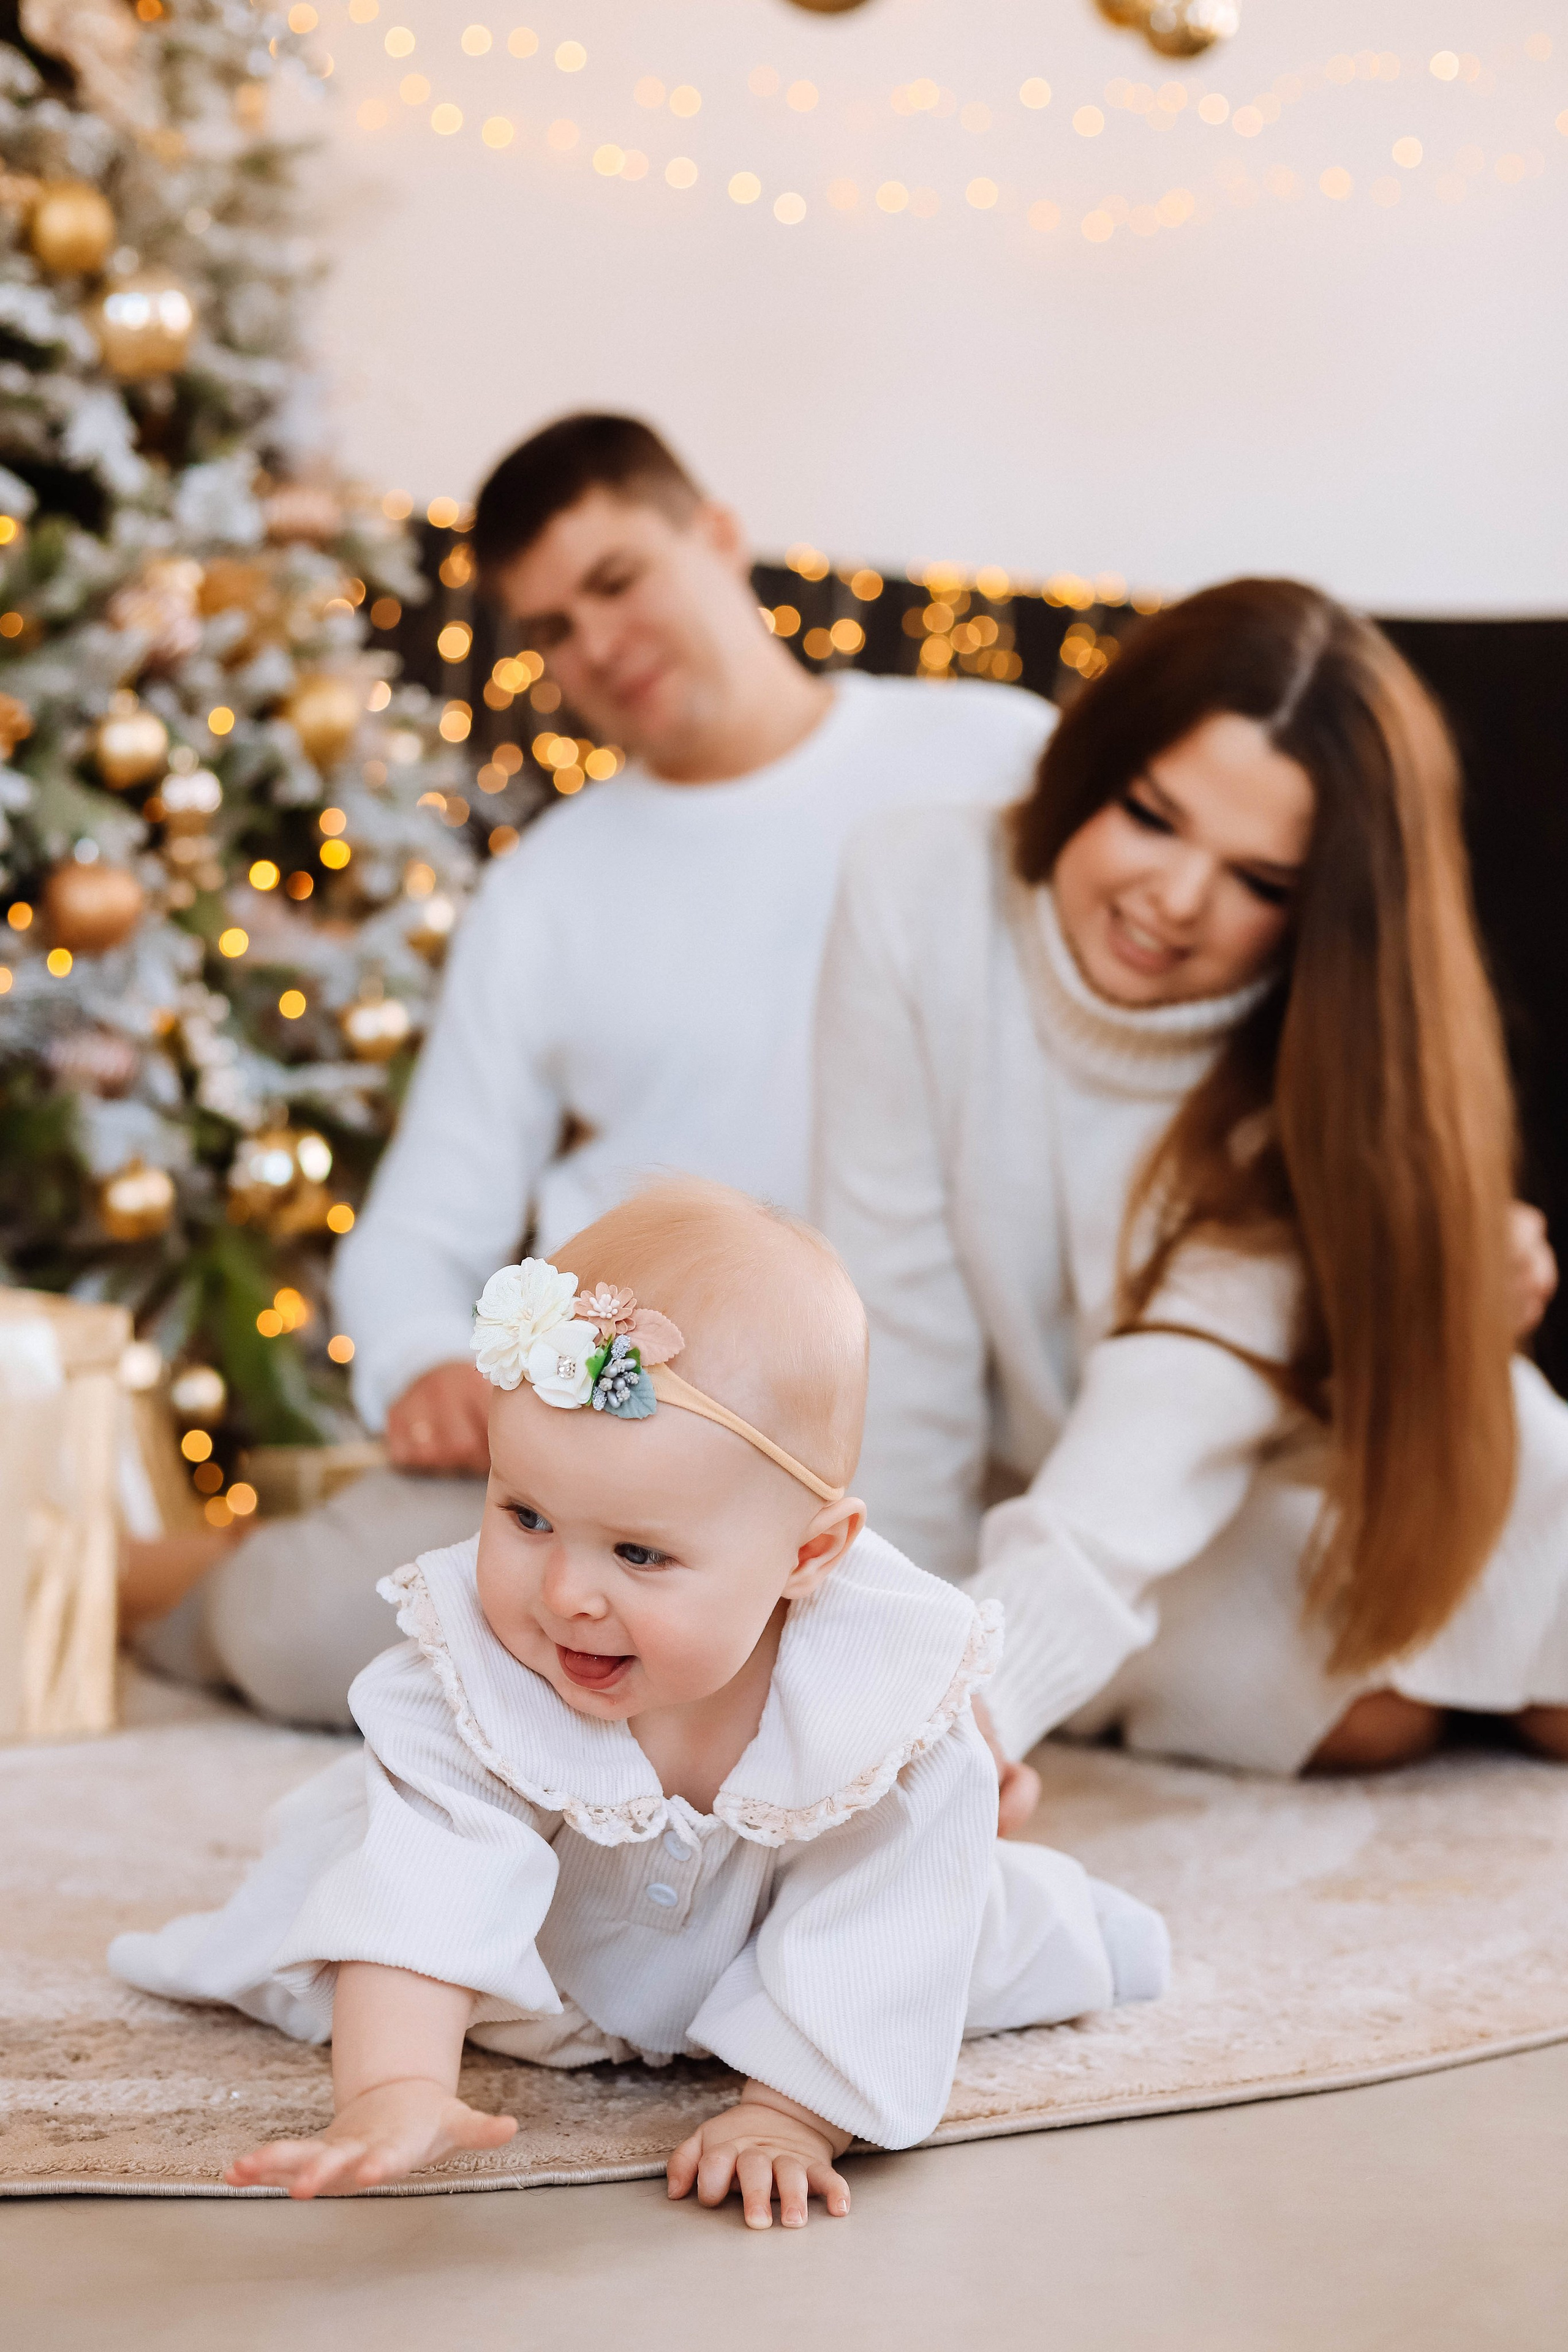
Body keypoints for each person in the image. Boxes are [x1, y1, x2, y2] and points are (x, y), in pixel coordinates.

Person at [127, 414, 1054, 1726]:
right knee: (311, 1624)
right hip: (629, 1443)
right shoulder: (550, 885)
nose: (594, 648)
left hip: (939, 1413)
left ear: (717, 535)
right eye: (550, 628)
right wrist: (417, 1362)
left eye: (615, 581)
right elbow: (420, 1226)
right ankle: (159, 1586)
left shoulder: (991, 760)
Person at [110, 1183, 1167, 2222]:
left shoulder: (885, 1699)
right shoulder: (477, 1666)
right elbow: (431, 1867)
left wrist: (793, 2116)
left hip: (781, 1935)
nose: (566, 1594)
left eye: (638, 1552)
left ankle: (1089, 1929)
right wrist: (396, 2086)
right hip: (547, 1959)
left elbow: (885, 1912)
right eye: (524, 1514)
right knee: (350, 1921)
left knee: (951, 1936)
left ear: (808, 1554)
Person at [812, 578, 1568, 1811]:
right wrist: (904, 1675)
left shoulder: (1319, 1061)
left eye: (1258, 883)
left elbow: (1173, 1409)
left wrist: (964, 1710)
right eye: (1149, 816)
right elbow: (891, 1322)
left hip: (1321, 1455)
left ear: (1319, 912)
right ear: (1088, 763)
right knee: (1357, 1711)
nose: (1171, 900)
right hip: (1110, 1493)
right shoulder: (914, 889)